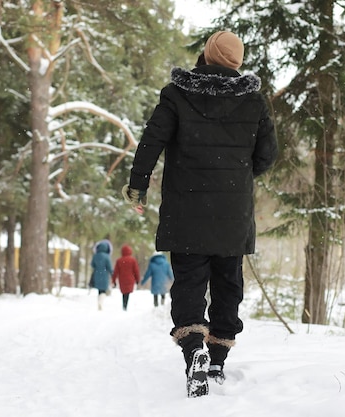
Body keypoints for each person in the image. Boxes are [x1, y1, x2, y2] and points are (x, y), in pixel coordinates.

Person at [122, 31, 278, 397]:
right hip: (232, 212)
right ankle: (218, 361)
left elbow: (152, 141)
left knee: (190, 283)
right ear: (236, 62)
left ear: (207, 55)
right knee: (228, 284)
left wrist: (138, 184)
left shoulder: (177, 94)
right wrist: (237, 177)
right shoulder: (253, 102)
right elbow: (267, 155)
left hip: (186, 209)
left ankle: (195, 349)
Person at [111, 244, 140, 311]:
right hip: (130, 279)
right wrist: (137, 279)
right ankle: (125, 306)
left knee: (124, 292)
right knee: (127, 292)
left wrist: (114, 280)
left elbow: (115, 272)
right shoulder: (133, 260)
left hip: (122, 279)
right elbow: (136, 271)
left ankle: (124, 305)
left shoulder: (119, 260)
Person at [90, 240, 113, 310]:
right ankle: (101, 302)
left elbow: (92, 265)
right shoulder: (107, 256)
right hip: (104, 274)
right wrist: (112, 274)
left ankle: (99, 302)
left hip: (97, 274)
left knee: (99, 290)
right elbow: (109, 267)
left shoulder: (95, 256)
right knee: (103, 290)